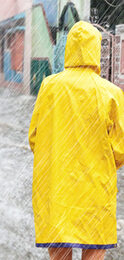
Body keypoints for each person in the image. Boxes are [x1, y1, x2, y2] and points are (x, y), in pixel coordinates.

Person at [29, 21, 124, 260]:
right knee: (94, 250)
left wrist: (58, 156)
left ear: (68, 48)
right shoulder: (111, 93)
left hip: (56, 190)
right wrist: (97, 162)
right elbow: (120, 149)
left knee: (60, 252)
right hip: (95, 192)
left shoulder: (49, 87)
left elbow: (34, 138)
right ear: (95, 50)